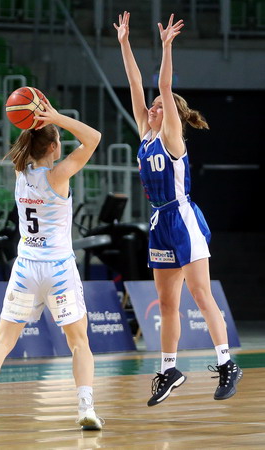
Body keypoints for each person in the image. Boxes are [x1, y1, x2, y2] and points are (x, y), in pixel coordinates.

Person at [114, 12, 242, 406]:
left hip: (183, 217)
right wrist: (124, 43)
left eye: (159, 106)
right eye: (152, 107)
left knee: (201, 294)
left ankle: (227, 363)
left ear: (170, 114)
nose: (152, 108)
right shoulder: (145, 134)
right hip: (159, 221)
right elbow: (134, 83)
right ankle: (169, 369)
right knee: (167, 302)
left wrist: (167, 47)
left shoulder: (171, 137)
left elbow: (163, 86)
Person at [0, 99, 103, 430]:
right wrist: (58, 117)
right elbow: (93, 138)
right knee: (79, 342)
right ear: (54, 147)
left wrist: (35, 122)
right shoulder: (59, 175)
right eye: (57, 139)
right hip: (58, 269)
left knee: (2, 342)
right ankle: (86, 409)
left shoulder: (20, 172)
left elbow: (29, 142)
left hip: (26, 270)